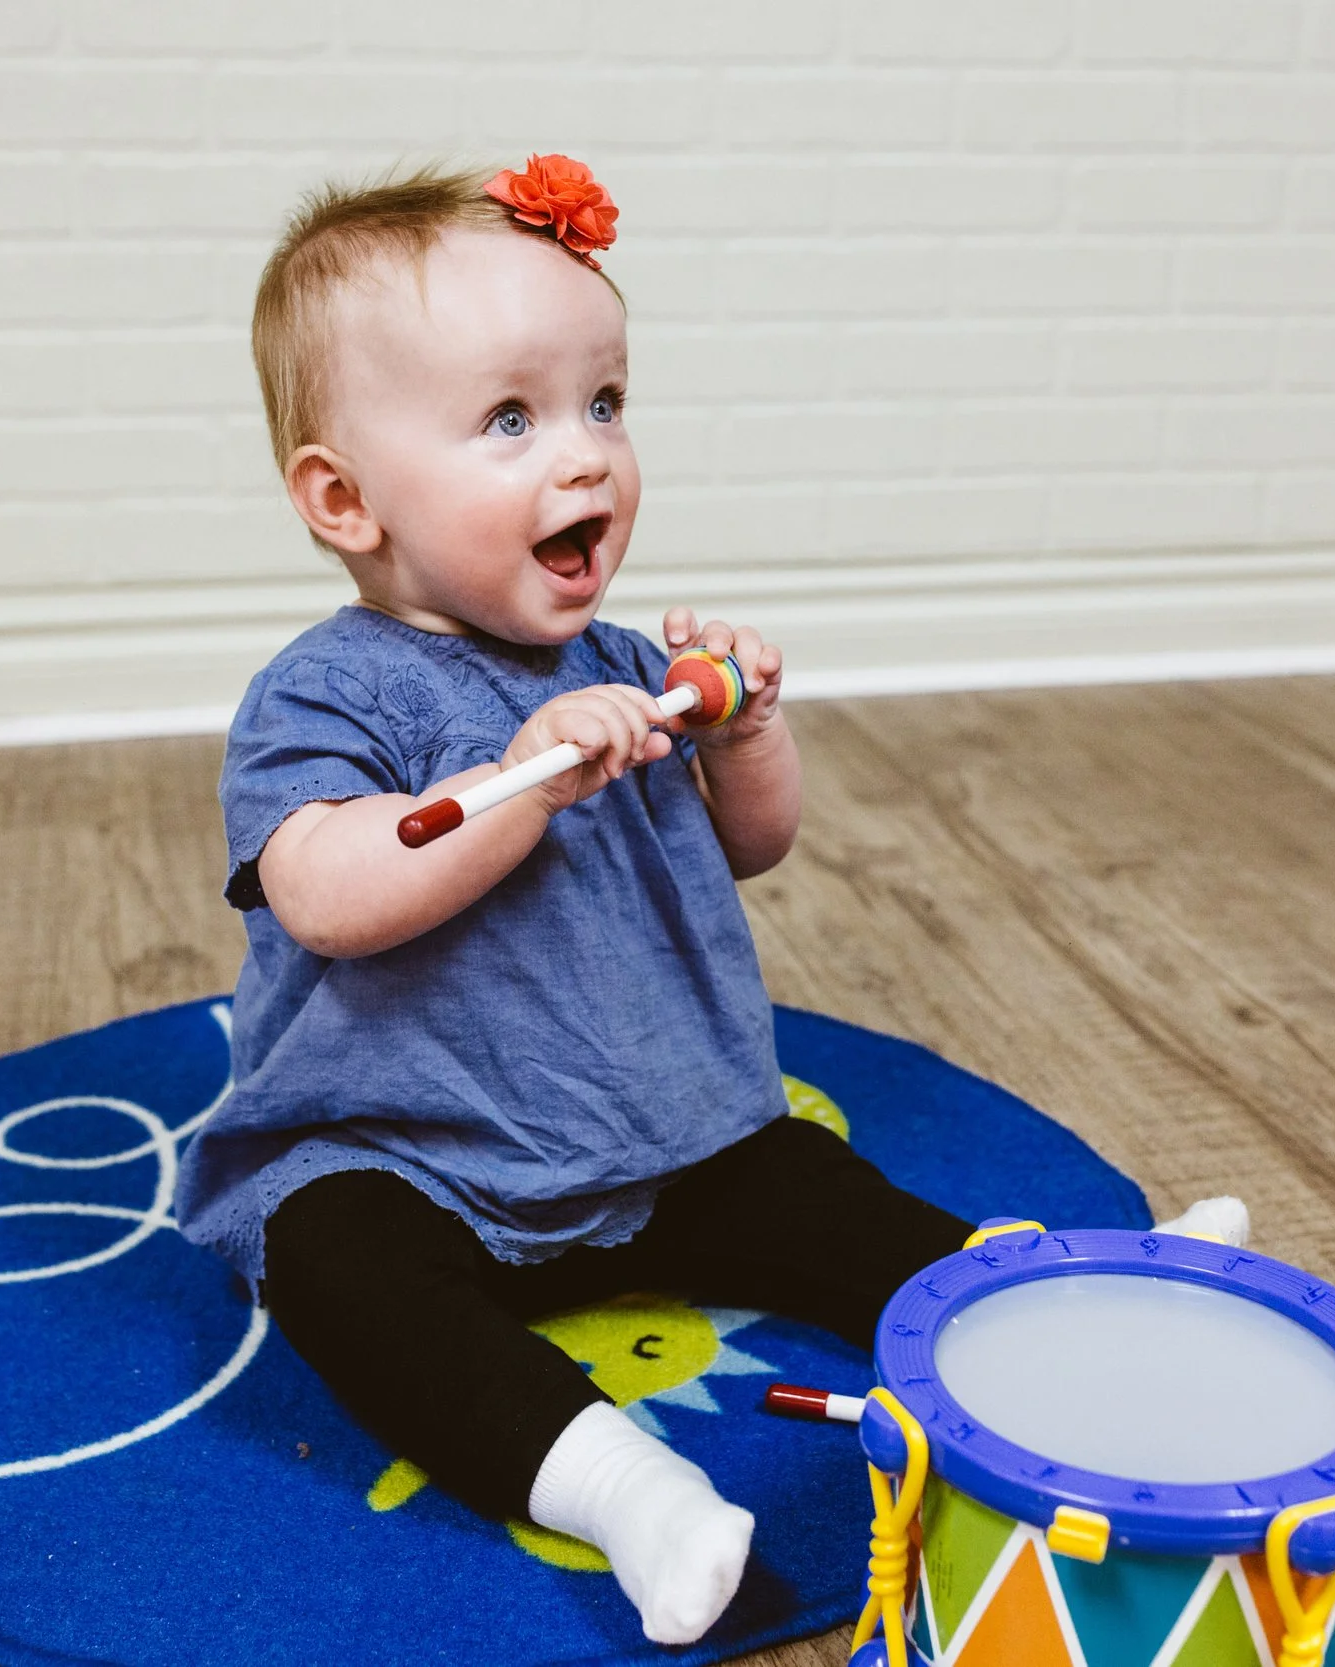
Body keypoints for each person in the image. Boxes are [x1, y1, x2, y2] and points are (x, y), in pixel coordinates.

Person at [176, 156, 1246, 1646]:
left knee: (819, 1196)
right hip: (412, 1158)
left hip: (656, 1136)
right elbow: (327, 894)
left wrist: (745, 735)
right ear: (344, 499)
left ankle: (1070, 1304)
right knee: (342, 1273)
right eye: (510, 420)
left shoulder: (621, 668)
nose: (586, 460)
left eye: (605, 404)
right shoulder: (324, 694)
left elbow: (752, 847)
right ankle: (628, 1492)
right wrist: (525, 781)